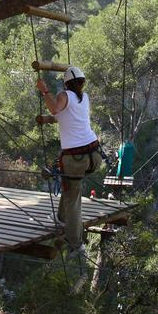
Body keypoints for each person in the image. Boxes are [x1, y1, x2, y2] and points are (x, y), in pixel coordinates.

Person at [35, 66, 103, 258]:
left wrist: (44, 90)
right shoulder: (84, 98)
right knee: (70, 187)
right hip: (94, 155)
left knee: (73, 199)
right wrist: (48, 119)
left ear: (66, 83)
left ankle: (76, 244)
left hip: (75, 158)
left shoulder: (64, 96)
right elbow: (66, 116)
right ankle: (61, 218)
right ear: (81, 82)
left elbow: (55, 108)